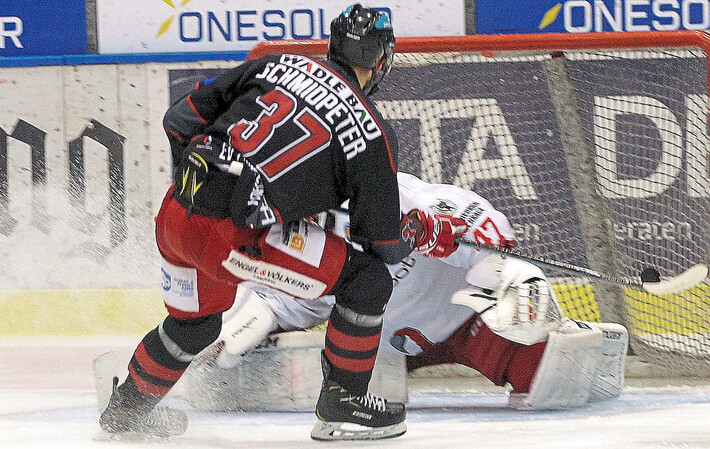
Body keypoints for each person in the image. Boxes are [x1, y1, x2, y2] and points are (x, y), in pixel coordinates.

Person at [98, 4, 467, 441]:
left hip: (175, 215)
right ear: (382, 61)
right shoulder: (371, 131)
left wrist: (202, 189)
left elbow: (178, 119)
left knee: (195, 325)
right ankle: (343, 404)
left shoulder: (277, 62)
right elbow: (382, 240)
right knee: (366, 282)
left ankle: (126, 411)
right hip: (232, 239)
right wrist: (425, 232)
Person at [191, 172, 628, 413]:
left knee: (542, 377)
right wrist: (232, 334)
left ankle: (567, 331)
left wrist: (460, 243)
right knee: (320, 386)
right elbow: (281, 300)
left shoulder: (401, 198)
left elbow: (490, 232)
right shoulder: (292, 237)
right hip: (379, 345)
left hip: (465, 320)